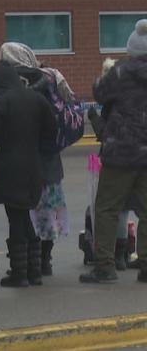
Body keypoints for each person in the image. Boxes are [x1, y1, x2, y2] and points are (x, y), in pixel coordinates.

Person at [81, 19, 147, 283]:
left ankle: (105, 266)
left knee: (107, 208)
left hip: (121, 151)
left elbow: (99, 92)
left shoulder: (121, 72)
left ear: (131, 47)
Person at [0, 42, 73, 276]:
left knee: (25, 213)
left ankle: (31, 264)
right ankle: (44, 260)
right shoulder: (50, 76)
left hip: (25, 157)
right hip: (49, 156)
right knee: (48, 211)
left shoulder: (15, 84)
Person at [0, 61, 56, 287]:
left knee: (15, 217)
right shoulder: (37, 99)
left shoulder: (0, 103)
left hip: (8, 168)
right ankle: (34, 271)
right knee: (24, 216)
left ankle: (20, 273)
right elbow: (51, 132)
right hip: (34, 167)